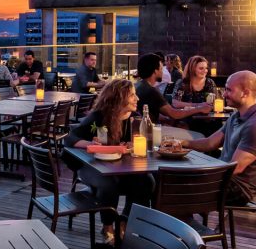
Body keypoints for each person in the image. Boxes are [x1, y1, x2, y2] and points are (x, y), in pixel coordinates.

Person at [64, 78, 153, 239]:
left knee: (146, 180)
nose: (137, 98)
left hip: (122, 168)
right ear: (119, 97)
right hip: (92, 168)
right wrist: (90, 143)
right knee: (109, 183)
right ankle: (107, 227)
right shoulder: (100, 116)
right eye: (132, 95)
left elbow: (142, 141)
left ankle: (124, 221)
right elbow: (70, 138)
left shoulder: (136, 117)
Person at [182, 70, 256, 204]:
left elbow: (234, 168)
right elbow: (210, 143)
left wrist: (196, 173)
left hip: (236, 188)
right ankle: (184, 221)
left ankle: (186, 223)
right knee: (168, 182)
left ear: (245, 93)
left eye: (229, 90)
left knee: (172, 188)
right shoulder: (236, 116)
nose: (224, 94)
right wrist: (181, 143)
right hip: (223, 177)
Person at [135, 54, 211, 123]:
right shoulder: (151, 91)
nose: (163, 72)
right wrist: (200, 108)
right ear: (155, 71)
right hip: (152, 131)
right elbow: (174, 114)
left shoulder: (138, 85)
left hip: (147, 127)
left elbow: (152, 113)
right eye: (161, 69)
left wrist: (169, 120)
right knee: (198, 135)